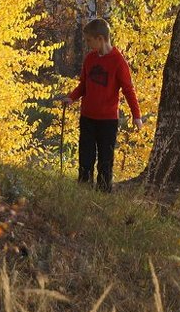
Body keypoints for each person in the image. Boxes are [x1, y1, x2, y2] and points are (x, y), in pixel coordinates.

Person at [60, 18, 142, 191]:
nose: (87, 44)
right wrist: (71, 97)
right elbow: (83, 85)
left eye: (89, 40)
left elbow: (128, 89)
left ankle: (104, 191)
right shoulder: (89, 59)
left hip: (108, 120)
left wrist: (137, 116)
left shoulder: (118, 61)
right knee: (86, 156)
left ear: (100, 39)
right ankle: (83, 188)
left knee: (105, 159)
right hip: (87, 117)